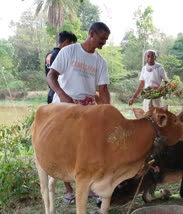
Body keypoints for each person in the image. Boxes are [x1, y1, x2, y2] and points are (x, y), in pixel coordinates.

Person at [47, 22, 111, 204]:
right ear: (91, 34)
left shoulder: (100, 61)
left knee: (89, 148)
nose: (104, 42)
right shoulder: (69, 51)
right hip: (64, 105)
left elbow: (104, 89)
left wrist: (108, 112)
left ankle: (88, 187)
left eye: (106, 39)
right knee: (65, 148)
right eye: (102, 38)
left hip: (87, 107)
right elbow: (51, 76)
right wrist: (62, 95)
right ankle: (69, 190)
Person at [45, 31, 77, 104]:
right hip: (59, 94)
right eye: (71, 44)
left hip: (51, 91)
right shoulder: (60, 54)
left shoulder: (49, 54)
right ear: (66, 42)